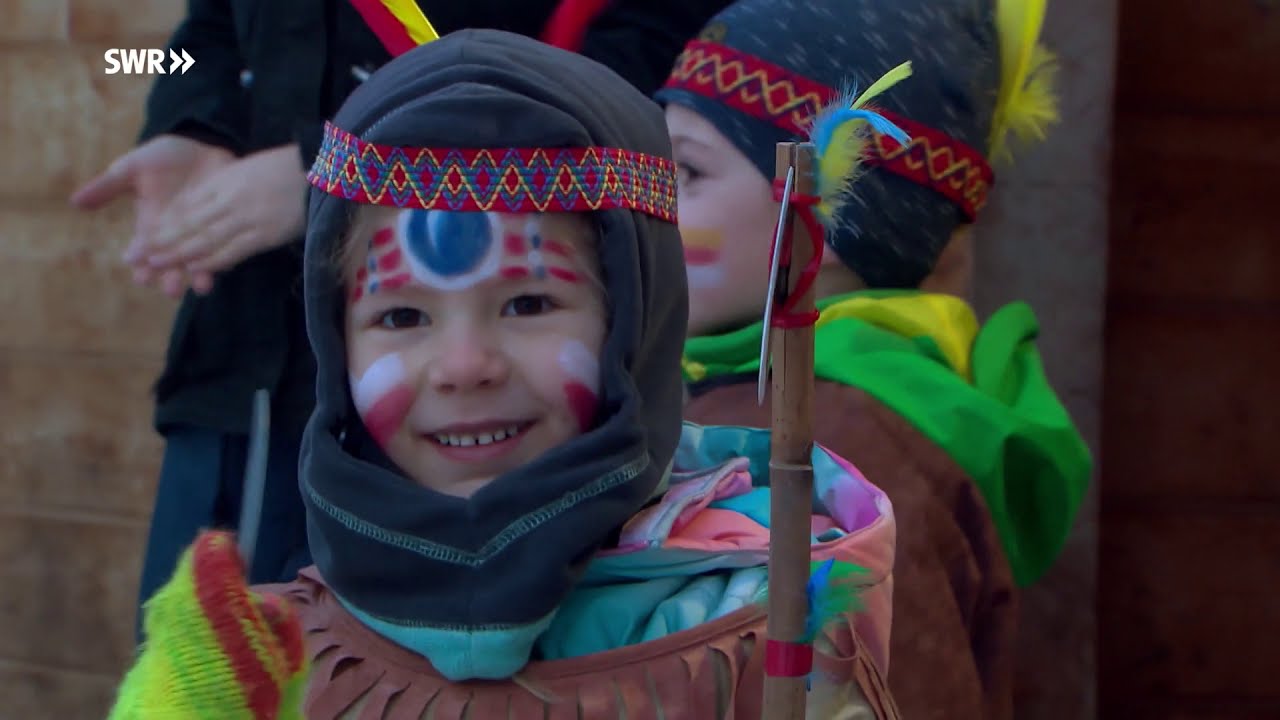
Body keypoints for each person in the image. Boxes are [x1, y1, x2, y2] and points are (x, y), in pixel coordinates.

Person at [107, 30, 901, 719]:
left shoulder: (756, 622)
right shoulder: (270, 651)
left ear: (637, 321)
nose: (463, 366)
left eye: (527, 303)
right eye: (402, 317)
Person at [67, 0, 733, 619]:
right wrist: (190, 118)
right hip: (235, 368)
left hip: (512, 393)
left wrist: (331, 169)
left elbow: (657, 29)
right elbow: (174, 42)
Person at [653, 0, 1094, 717]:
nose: (648, 206)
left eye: (687, 173)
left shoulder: (839, 459)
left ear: (827, 214)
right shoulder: (754, 390)